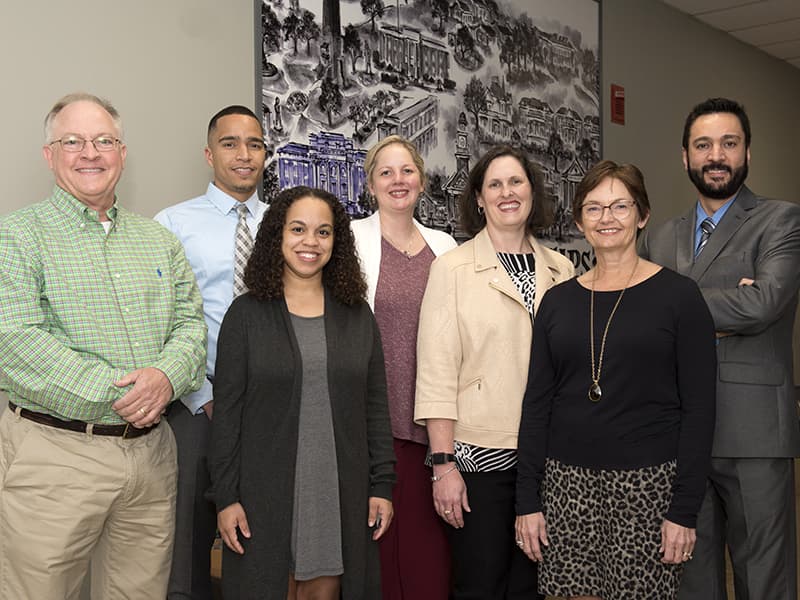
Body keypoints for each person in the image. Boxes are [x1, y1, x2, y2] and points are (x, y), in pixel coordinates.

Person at [0, 92, 207, 599]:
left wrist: (164, 379)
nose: (89, 152)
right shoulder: (16, 236)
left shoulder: (157, 240)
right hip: (56, 454)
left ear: (123, 152)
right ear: (49, 155)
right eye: (72, 141)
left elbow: (191, 327)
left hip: (152, 458)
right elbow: (15, 340)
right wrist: (128, 392)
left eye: (104, 140)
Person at [515, 160, 717, 599]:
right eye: (594, 208)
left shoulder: (680, 298)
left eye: (620, 206)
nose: (607, 218)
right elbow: (536, 405)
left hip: (647, 490)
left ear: (642, 215)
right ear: (579, 220)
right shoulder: (556, 301)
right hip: (566, 489)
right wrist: (527, 501)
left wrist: (683, 510)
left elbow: (700, 412)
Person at [641, 97, 800, 600]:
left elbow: (764, 303)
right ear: (684, 157)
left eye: (729, 144)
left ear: (747, 153)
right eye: (703, 145)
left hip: (753, 433)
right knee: (690, 579)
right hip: (678, 434)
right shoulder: (659, 238)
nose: (716, 155)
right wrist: (729, 304)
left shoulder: (781, 221)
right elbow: (637, 317)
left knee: (765, 579)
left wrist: (671, 306)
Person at [209, 186, 396, 600]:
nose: (310, 242)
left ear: (337, 242)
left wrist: (381, 485)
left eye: (323, 232)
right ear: (278, 235)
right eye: (298, 229)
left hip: (336, 491)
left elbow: (375, 408)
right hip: (262, 496)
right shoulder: (246, 315)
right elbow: (227, 418)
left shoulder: (356, 315)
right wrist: (226, 498)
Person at [415, 145, 574, 599]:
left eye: (516, 182)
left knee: (534, 586)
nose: (507, 193)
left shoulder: (561, 270)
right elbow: (436, 372)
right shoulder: (452, 269)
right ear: (479, 199)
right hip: (478, 461)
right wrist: (443, 466)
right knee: (480, 585)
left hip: (547, 460)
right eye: (495, 184)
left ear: (532, 191)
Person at [154, 105, 267, 600]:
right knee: (188, 547)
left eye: (255, 144)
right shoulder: (173, 224)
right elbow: (160, 321)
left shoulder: (287, 224)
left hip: (269, 406)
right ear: (209, 153)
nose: (244, 155)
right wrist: (203, 395)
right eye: (230, 143)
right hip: (196, 406)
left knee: (265, 537)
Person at [352, 135, 457, 600]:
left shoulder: (445, 245)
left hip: (432, 426)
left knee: (427, 559)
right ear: (371, 184)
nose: (398, 181)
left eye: (407, 171)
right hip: (373, 425)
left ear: (421, 180)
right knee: (376, 554)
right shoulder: (350, 240)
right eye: (386, 172)